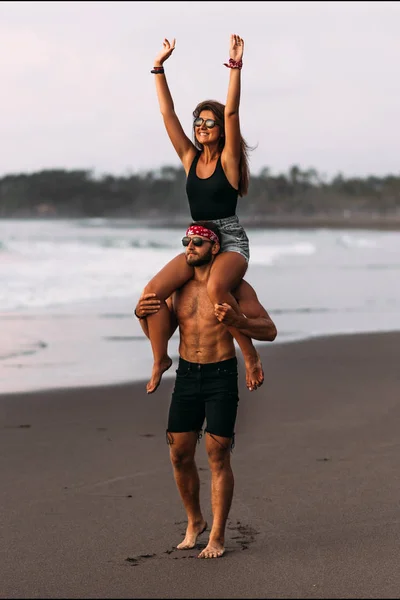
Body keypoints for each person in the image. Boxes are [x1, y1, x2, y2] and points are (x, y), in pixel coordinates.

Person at [134, 222, 277, 558]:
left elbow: (269, 330)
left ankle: (217, 535)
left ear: (215, 248)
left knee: (217, 456)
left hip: (221, 375)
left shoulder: (235, 288)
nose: (189, 248)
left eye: (197, 242)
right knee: (179, 454)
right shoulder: (178, 289)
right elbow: (164, 330)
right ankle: (194, 520)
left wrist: (239, 321)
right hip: (187, 375)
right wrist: (142, 317)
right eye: (186, 242)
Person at [142, 33, 264, 395]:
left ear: (220, 131)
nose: (201, 126)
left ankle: (250, 354)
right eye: (199, 122)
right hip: (198, 239)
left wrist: (235, 66)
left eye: (209, 122)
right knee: (151, 294)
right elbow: (167, 114)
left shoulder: (228, 161)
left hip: (229, 240)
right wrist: (158, 67)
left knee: (215, 287)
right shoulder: (189, 159)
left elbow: (232, 111)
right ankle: (160, 358)